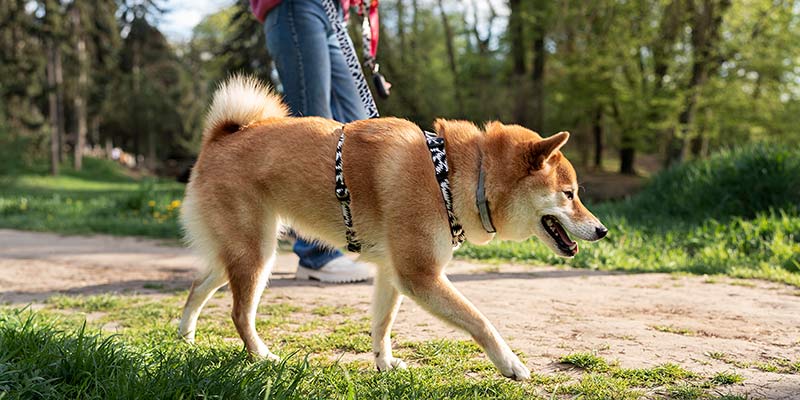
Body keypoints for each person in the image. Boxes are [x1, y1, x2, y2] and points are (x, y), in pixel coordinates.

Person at [251, 0, 373, 283]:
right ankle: (316, 253)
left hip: (332, 13)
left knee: (362, 130)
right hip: (296, 7)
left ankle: (364, 238)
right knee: (314, 136)